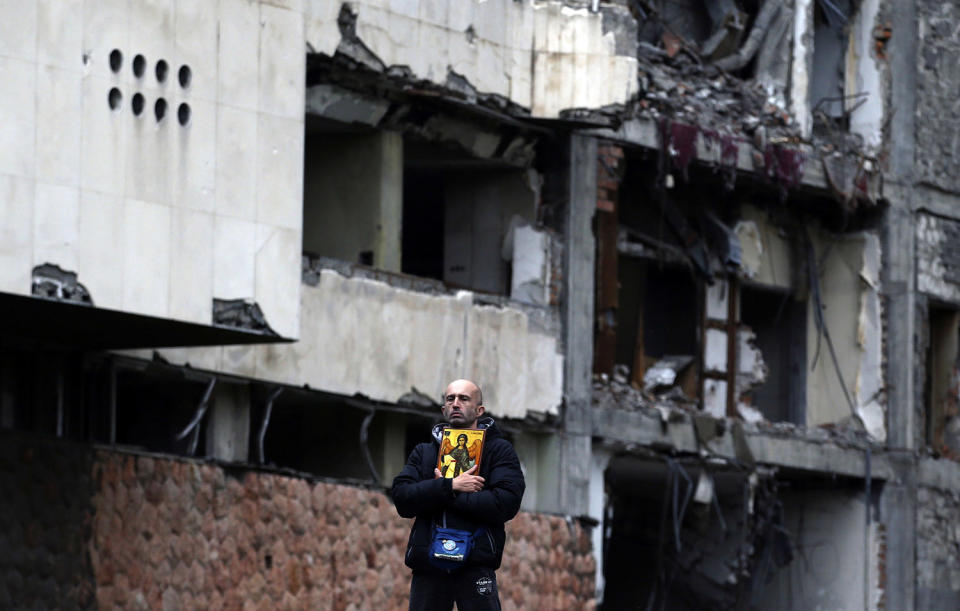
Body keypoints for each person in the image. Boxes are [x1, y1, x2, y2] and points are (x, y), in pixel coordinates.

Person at [391, 379, 525, 610]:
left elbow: (505, 503)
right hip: (428, 565)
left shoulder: (499, 451)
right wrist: (450, 486)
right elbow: (403, 498)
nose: (455, 404)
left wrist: (441, 493)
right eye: (450, 399)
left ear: (479, 410)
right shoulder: (424, 453)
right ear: (443, 409)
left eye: (463, 399)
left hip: (476, 563)